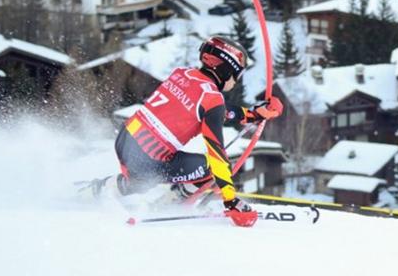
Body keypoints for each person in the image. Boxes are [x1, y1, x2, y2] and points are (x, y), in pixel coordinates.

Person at [87, 35, 283, 227]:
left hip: (126, 138)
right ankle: (171, 204)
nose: (236, 82)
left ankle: (104, 188)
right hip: (147, 158)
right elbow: (217, 154)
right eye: (237, 75)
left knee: (140, 179)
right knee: (210, 168)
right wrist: (231, 200)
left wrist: (254, 114)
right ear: (226, 69)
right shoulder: (212, 99)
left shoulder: (182, 74)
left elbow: (213, 110)